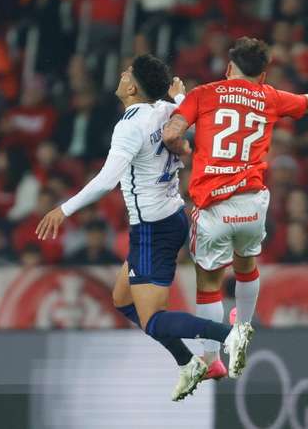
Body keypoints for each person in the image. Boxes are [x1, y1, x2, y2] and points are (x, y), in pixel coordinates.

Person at [161, 37, 308, 381]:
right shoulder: (268, 97)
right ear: (263, 75)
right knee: (247, 265)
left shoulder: (203, 94)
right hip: (252, 204)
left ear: (228, 68)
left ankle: (210, 359)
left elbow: (171, 132)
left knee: (208, 281)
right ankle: (244, 328)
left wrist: (179, 141)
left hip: (213, 206)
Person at [34, 54, 245, 401]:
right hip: (170, 217)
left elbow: (106, 180)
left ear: (132, 87)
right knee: (121, 298)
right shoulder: (165, 112)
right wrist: (179, 98)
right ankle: (189, 363)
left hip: (151, 230)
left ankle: (229, 335)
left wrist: (63, 208)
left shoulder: (129, 126)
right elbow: (194, 124)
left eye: (126, 73)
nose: (120, 74)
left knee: (153, 320)